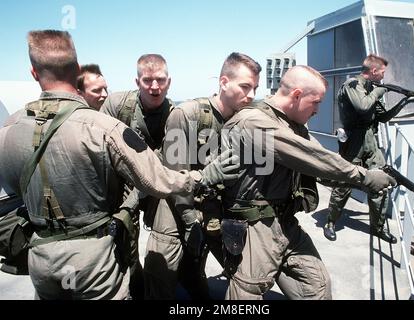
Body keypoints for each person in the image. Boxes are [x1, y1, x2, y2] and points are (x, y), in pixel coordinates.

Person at [0, 29, 237, 300]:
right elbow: (156, 179)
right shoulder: (104, 126)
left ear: (33, 72)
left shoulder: (10, 128)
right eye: (147, 80)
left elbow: (12, 189)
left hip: (40, 255)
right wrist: (202, 177)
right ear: (77, 70)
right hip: (93, 258)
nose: (154, 86)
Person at [220, 65, 397, 300]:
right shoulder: (253, 122)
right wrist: (364, 178)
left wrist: (363, 175)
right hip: (254, 228)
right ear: (296, 96)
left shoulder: (293, 126)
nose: (317, 110)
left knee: (317, 287)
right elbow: (310, 157)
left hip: (285, 223)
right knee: (248, 293)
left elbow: (322, 165)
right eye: (316, 102)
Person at [143, 52, 261, 299]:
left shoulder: (245, 120)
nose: (251, 95)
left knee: (203, 279)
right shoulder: (187, 114)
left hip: (213, 209)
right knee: (160, 281)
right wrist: (189, 220)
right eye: (245, 86)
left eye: (255, 88)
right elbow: (173, 175)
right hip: (175, 209)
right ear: (223, 82)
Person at [323, 54, 414, 244]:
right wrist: (380, 91)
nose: (384, 76)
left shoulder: (371, 88)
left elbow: (383, 117)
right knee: (344, 185)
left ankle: (378, 227)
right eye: (382, 72)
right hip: (353, 143)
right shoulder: (352, 84)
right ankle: (330, 222)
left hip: (370, 142)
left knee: (381, 184)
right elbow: (363, 106)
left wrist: (405, 101)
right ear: (373, 71)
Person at [100, 53, 173, 299]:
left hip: (155, 185)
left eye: (160, 80)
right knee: (123, 244)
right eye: (148, 80)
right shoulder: (117, 106)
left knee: (166, 242)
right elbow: (102, 151)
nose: (155, 87)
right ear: (137, 81)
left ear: (169, 81)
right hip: (122, 183)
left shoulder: (175, 115)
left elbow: (163, 167)